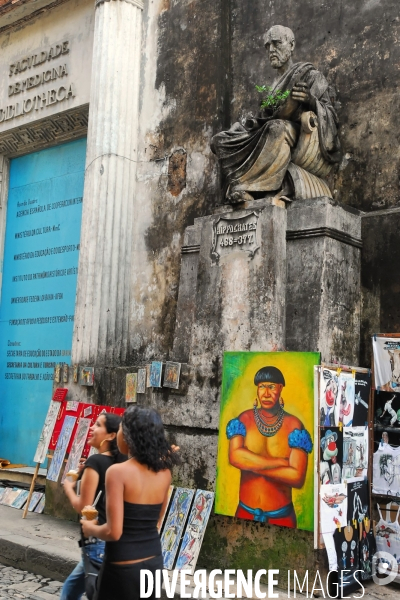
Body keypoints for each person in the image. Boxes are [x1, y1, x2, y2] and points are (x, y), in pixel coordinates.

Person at [211, 25, 341, 203]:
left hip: (296, 135)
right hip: (267, 133)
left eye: (277, 43)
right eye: (267, 46)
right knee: (220, 140)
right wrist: (247, 126)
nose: (271, 50)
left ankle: (246, 187)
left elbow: (331, 116)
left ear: (291, 45)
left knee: (276, 128)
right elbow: (263, 119)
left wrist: (311, 101)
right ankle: (243, 187)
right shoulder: (271, 88)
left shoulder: (310, 75)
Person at [81, 406, 180, 600]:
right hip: (153, 562)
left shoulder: (117, 473)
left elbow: (113, 532)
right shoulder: (165, 473)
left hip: (122, 566)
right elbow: (157, 519)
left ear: (127, 436)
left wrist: (90, 528)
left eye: (120, 429)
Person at [227, 366, 312, 527]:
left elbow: (296, 477)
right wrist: (280, 463)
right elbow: (234, 457)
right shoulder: (244, 419)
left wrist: (249, 463)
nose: (266, 393)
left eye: (271, 387)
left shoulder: (294, 425)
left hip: (282, 518)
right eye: (261, 387)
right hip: (244, 513)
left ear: (280, 388)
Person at [60, 412, 122, 600]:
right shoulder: (120, 462)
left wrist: (68, 487)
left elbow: (83, 506)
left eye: (98, 425)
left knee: (76, 592)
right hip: (113, 538)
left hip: (96, 539)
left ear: (111, 435)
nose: (92, 428)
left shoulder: (96, 462)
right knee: (71, 590)